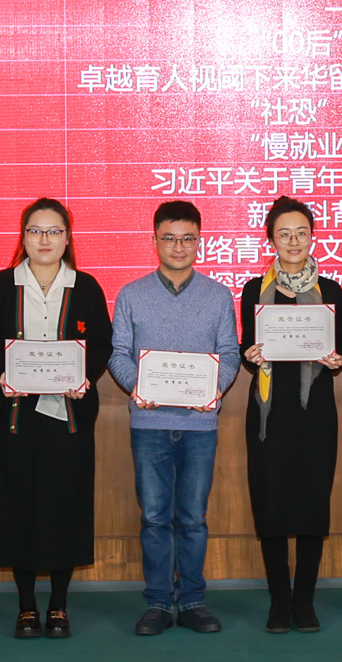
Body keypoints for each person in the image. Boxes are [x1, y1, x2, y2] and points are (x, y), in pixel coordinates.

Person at [0, 198, 112, 640]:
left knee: (66, 505)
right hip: (17, 418)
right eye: (35, 231)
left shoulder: (85, 287)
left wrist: (83, 376)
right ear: (23, 237)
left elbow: (101, 342)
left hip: (67, 418)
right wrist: (3, 375)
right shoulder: (1, 286)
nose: (44, 240)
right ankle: (27, 606)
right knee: (18, 506)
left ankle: (59, 606)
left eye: (54, 231)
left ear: (67, 238)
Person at [109, 200, 242, 636]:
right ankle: (158, 603)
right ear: (154, 241)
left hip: (199, 426)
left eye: (187, 238)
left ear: (199, 242)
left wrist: (213, 389)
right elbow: (118, 353)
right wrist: (138, 387)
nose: (178, 246)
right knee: (153, 518)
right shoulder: (131, 294)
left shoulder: (218, 296)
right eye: (169, 238)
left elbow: (230, 354)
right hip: (149, 425)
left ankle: (193, 601)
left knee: (192, 518)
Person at [237, 197, 342, 633]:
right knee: (272, 507)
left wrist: (336, 359)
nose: (294, 241)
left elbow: (339, 348)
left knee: (313, 507)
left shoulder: (331, 292)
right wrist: (250, 355)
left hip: (315, 414)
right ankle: (279, 601)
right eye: (284, 234)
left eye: (301, 232)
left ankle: (305, 601)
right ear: (272, 240)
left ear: (312, 237)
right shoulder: (254, 291)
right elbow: (248, 347)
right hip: (269, 415)